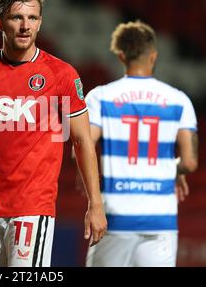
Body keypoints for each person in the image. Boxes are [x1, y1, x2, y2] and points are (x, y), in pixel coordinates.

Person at [0, 0, 107, 267]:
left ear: (40, 22)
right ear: (0, 22)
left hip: (32, 209)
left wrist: (95, 204)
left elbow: (82, 140)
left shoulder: (61, 74)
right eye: (17, 17)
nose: (25, 26)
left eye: (32, 18)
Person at [83, 20, 198, 267]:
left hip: (116, 215)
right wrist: (172, 169)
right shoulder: (179, 100)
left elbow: (82, 149)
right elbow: (189, 162)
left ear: (121, 56)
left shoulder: (101, 97)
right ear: (153, 56)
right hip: (161, 219)